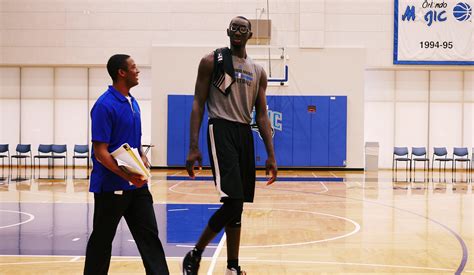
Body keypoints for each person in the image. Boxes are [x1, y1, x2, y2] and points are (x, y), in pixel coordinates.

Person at [182, 16, 277, 275]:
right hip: (221, 128)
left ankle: (232, 267)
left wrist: (271, 154)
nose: (237, 31)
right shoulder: (212, 62)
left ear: (250, 34)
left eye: (242, 28)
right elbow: (198, 103)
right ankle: (195, 254)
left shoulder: (258, 71)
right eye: (234, 27)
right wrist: (193, 146)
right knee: (233, 202)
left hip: (244, 133)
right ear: (227, 32)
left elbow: (262, 115)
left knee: (238, 206)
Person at [84, 54, 169, 275]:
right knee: (102, 241)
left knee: (150, 238)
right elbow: (100, 152)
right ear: (121, 72)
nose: (137, 71)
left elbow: (134, 142)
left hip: (137, 187)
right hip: (111, 188)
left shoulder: (133, 102)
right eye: (133, 67)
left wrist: (142, 156)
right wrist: (127, 175)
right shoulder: (104, 105)